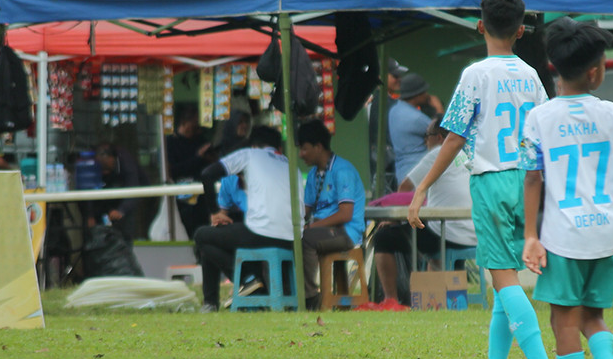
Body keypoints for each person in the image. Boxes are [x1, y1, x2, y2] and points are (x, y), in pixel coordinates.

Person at [408, 0, 557, 359]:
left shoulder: (476, 75)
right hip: (526, 182)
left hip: (491, 181)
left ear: (479, 26)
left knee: (503, 277)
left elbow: (453, 137)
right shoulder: (531, 76)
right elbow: (544, 132)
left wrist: (422, 188)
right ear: (522, 31)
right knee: (500, 278)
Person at [520, 17, 613, 359]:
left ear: (553, 66)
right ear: (595, 72)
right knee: (594, 317)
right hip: (605, 234)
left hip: (562, 238)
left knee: (563, 322)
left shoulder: (539, 118)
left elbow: (533, 179)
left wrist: (531, 236)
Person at [372, 119, 476, 306]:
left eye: (425, 137)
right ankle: (435, 297)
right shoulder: (465, 155)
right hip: (472, 232)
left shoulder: (438, 152)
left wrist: (398, 219)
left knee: (383, 237)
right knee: (427, 234)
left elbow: (405, 188)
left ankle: (391, 300)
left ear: (437, 137)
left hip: (447, 232)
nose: (424, 143)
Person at [194, 125, 296, 312]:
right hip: (291, 238)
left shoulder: (250, 155)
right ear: (278, 149)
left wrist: (215, 212)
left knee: (202, 235)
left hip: (261, 233)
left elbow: (207, 174)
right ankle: (250, 282)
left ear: (253, 145)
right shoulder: (290, 165)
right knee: (215, 237)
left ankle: (243, 283)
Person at [298, 120, 367, 311]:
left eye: (304, 149)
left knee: (307, 239)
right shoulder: (313, 174)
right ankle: (294, 294)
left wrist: (312, 227)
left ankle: (311, 297)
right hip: (324, 230)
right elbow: (306, 210)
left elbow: (345, 214)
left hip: (346, 232)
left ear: (318, 147)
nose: (300, 154)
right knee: (294, 237)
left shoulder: (342, 170)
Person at [166, 107, 215, 238]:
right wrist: (197, 158)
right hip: (181, 195)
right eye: (194, 126)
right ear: (185, 123)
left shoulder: (200, 140)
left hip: (202, 195)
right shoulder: (171, 143)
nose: (197, 130)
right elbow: (173, 171)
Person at [87, 143, 150, 242]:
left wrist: (121, 210)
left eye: (106, 167)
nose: (104, 172)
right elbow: (89, 190)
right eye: (102, 169)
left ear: (112, 159)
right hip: (107, 195)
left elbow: (133, 190)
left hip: (128, 196)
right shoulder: (96, 168)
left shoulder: (127, 164)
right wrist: (90, 215)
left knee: (126, 230)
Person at [368, 58, 408, 192]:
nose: (399, 79)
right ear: (380, 77)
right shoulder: (382, 103)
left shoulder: (384, 100)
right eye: (395, 76)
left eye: (399, 76)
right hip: (388, 171)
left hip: (387, 169)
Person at [389, 73, 435, 183]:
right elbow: (443, 135)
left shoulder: (394, 110)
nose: (427, 95)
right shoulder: (416, 118)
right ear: (417, 95)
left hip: (402, 172)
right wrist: (438, 109)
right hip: (418, 173)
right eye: (424, 92)